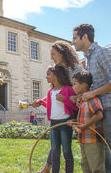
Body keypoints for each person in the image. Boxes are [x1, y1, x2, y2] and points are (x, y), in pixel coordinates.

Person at [37, 41, 84, 173]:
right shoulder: (59, 70)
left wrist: (77, 97)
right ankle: (48, 168)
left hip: (75, 111)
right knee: (55, 147)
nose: (51, 57)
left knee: (68, 149)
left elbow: (84, 86)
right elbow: (56, 94)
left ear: (62, 52)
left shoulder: (75, 69)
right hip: (58, 117)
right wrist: (41, 101)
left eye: (53, 53)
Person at [72, 23, 111, 173]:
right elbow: (93, 86)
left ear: (85, 37)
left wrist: (93, 94)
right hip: (100, 109)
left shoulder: (101, 53)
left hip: (109, 107)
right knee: (104, 153)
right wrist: (82, 95)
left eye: (75, 38)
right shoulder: (88, 59)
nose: (73, 42)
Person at [33, 65, 78, 173]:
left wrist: (64, 99)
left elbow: (75, 107)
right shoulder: (50, 91)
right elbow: (51, 105)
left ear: (56, 75)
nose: (46, 77)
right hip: (53, 124)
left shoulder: (67, 89)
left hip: (65, 124)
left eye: (49, 74)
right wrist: (41, 102)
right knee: (54, 151)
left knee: (67, 151)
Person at [71, 71, 105, 173]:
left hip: (93, 141)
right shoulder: (81, 101)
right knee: (86, 167)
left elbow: (99, 115)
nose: (73, 87)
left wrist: (84, 126)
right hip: (84, 140)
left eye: (75, 84)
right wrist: (74, 122)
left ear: (84, 85)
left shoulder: (91, 99)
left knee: (96, 169)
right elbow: (83, 119)